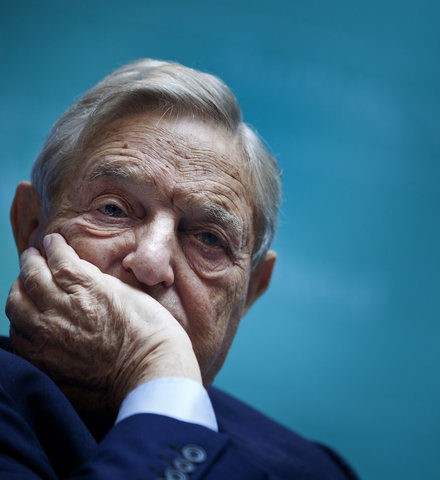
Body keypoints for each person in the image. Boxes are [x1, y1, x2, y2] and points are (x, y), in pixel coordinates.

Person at [0, 59, 358, 479]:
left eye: (209, 239)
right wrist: (156, 369)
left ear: (252, 291)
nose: (151, 263)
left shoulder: (315, 469)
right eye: (113, 210)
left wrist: (158, 375)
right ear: (30, 226)